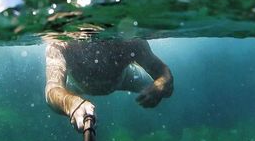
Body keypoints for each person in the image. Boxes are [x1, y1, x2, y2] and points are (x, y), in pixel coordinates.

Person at [45, 38, 174, 132]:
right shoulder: (61, 45)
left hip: (125, 78)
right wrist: (70, 103)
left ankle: (135, 67)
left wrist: (160, 86)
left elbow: (164, 74)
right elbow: (52, 89)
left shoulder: (132, 42)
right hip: (76, 86)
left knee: (165, 92)